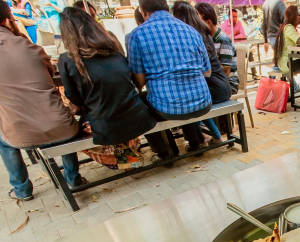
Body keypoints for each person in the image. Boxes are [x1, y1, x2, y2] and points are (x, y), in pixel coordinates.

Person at [0, 0, 83, 200]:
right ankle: (72, 178)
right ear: (7, 18)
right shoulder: (27, 44)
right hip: (62, 127)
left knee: (3, 139)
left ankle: (22, 189)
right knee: (60, 116)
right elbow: (50, 70)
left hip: (21, 135)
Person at [57, 7, 157, 148]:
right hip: (139, 118)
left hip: (107, 128)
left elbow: (74, 98)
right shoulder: (113, 50)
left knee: (70, 127)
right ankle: (158, 151)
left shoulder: (67, 60)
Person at [128, 0, 212, 160]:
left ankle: (164, 152)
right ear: (167, 7)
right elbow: (207, 72)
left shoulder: (138, 34)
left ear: (142, 10)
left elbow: (139, 82)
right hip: (202, 102)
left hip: (168, 107)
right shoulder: (191, 30)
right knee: (179, 97)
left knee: (140, 104)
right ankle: (195, 141)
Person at [172, 0, 230, 144]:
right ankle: (210, 137)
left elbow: (206, 72)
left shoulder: (191, 37)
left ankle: (196, 141)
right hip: (220, 86)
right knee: (191, 95)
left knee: (186, 100)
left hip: (214, 88)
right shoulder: (202, 32)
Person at [196, 2, 239, 93]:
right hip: (217, 81)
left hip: (229, 83)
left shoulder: (223, 39)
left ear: (208, 22)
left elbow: (226, 70)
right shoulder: (207, 39)